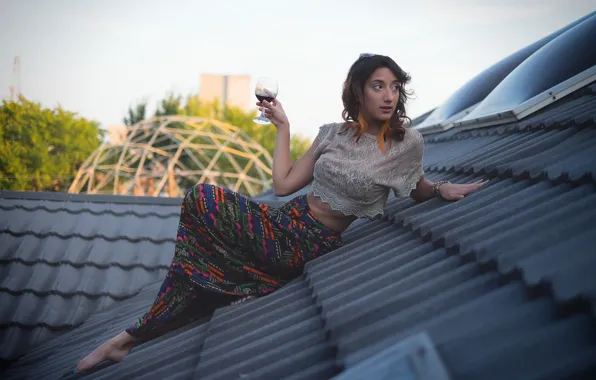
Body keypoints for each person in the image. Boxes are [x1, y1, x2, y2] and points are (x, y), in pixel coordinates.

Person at [75, 54, 487, 373]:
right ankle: (129, 336)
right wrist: (283, 128)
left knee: (202, 200)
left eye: (394, 87)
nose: (388, 95)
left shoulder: (405, 143)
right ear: (358, 92)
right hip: (283, 221)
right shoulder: (332, 134)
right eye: (377, 86)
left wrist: (440, 189)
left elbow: (416, 187)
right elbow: (284, 186)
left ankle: (129, 337)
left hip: (308, 242)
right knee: (196, 233)